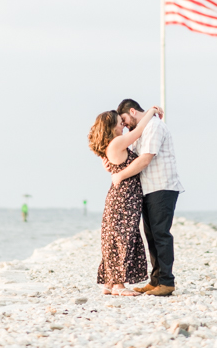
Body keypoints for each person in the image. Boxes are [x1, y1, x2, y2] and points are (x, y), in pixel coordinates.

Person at [88, 105, 161, 296]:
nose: (124, 127)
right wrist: (151, 112)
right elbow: (138, 131)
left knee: (116, 238)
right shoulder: (117, 143)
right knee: (123, 238)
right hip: (124, 198)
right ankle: (118, 286)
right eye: (121, 123)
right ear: (112, 126)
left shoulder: (111, 146)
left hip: (121, 196)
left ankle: (110, 283)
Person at [115, 98, 183, 297]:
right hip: (148, 189)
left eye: (125, 120)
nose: (125, 125)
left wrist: (120, 176)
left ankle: (166, 282)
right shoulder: (141, 129)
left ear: (133, 111)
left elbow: (145, 159)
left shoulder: (154, 126)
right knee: (151, 236)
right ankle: (155, 281)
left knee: (161, 234)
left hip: (162, 187)